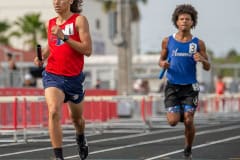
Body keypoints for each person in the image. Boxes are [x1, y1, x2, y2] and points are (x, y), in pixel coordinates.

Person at [34, 0, 92, 159]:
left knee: (77, 120)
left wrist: (65, 37)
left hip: (74, 78)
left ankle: (80, 136)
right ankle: (58, 156)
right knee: (53, 111)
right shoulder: (51, 23)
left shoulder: (79, 20)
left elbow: (87, 50)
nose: (56, 3)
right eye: (54, 0)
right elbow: (52, 45)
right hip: (53, 75)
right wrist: (42, 57)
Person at [158, 4, 210, 159]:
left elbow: (208, 67)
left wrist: (202, 60)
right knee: (173, 122)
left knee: (188, 120)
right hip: (172, 86)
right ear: (177, 21)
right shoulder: (167, 41)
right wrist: (163, 64)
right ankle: (181, 111)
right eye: (181, 19)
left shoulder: (198, 43)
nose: (185, 21)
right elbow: (160, 60)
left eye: (188, 19)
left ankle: (188, 148)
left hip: (190, 87)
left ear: (193, 22)